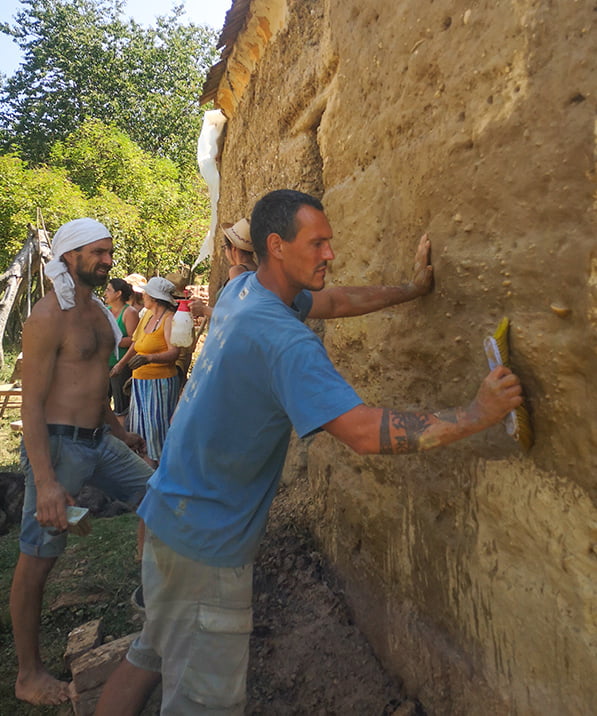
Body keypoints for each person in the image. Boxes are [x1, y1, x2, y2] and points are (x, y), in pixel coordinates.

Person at [97, 190, 522, 715]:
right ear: (276, 246)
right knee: (204, 705)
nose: (330, 254)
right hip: (206, 548)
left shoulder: (243, 291)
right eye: (317, 243)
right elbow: (366, 432)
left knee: (148, 655)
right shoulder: (284, 341)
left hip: (164, 517)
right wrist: (476, 415)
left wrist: (411, 290)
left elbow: (337, 302)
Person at [10, 218, 154, 707]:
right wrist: (47, 483)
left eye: (109, 252)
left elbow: (93, 383)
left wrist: (120, 431)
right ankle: (28, 674)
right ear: (68, 256)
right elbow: (31, 405)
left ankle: (155, 603)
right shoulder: (47, 317)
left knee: (159, 499)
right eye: (96, 252)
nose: (107, 260)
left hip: (100, 440)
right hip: (59, 447)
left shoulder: (97, 312)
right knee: (39, 558)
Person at [111, 277, 180, 468]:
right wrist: (121, 365)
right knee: (141, 428)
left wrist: (150, 358)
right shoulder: (147, 315)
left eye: (146, 294)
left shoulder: (169, 319)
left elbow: (174, 352)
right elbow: (136, 344)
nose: (143, 296)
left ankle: (159, 469)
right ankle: (145, 469)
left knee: (156, 430)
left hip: (160, 382)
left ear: (155, 298)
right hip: (141, 381)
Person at [189, 218, 258, 320]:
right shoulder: (256, 269)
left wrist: (203, 309)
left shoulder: (238, 271)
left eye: (225, 247)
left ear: (233, 248)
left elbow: (234, 315)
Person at [104, 278, 140, 421]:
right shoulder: (105, 311)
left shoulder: (129, 312)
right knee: (101, 402)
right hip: (104, 363)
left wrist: (112, 340)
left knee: (121, 406)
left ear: (118, 294)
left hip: (121, 364)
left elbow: (134, 340)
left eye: (108, 290)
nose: (105, 293)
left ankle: (123, 438)